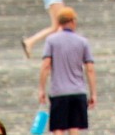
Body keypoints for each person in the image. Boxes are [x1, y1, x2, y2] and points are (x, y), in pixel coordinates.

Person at [38, 7, 97, 135]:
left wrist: (42, 89)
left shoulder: (51, 40)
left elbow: (45, 66)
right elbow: (90, 69)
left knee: (58, 128)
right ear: (72, 21)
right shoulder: (83, 42)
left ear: (59, 23)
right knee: (74, 127)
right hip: (78, 91)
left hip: (58, 92)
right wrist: (93, 93)